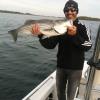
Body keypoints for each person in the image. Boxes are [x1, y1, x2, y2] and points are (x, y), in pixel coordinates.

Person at [32, 0, 92, 100]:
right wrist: (40, 35)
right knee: (60, 94)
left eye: (73, 10)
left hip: (76, 68)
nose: (70, 12)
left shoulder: (83, 27)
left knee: (71, 95)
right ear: (64, 12)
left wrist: (74, 36)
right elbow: (50, 45)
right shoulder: (59, 25)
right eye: (67, 10)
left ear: (77, 11)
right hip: (61, 67)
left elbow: (88, 45)